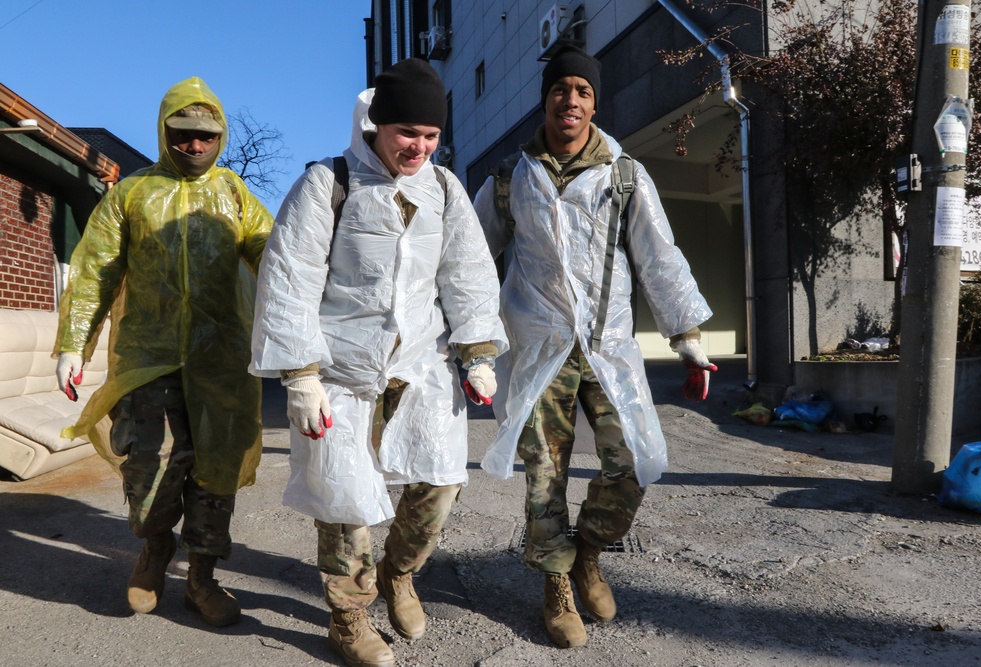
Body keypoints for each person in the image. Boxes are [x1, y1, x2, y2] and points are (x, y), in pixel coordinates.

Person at [250, 58, 508, 667]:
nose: (418, 146)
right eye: (406, 133)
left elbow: (468, 274)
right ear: (377, 126)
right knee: (345, 502)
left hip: (421, 367)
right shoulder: (329, 182)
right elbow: (289, 279)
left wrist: (476, 353)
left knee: (438, 486)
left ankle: (399, 574)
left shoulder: (443, 189)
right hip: (341, 373)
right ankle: (349, 615)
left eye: (430, 135)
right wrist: (301, 375)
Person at [472, 45, 717, 648]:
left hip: (607, 347)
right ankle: (556, 586)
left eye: (583, 91)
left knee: (631, 459)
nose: (571, 101)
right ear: (546, 99)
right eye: (562, 90)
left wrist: (687, 337)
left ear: (595, 102)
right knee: (544, 475)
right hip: (537, 348)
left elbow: (660, 258)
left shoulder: (626, 175)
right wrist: (470, 347)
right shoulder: (510, 177)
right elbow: (470, 264)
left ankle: (587, 554)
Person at [53, 77, 274, 628]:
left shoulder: (235, 194)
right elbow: (95, 271)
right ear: (164, 131)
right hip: (149, 358)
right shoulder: (130, 193)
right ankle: (154, 551)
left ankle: (202, 578)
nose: (193, 146)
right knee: (147, 468)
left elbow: (274, 256)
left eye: (205, 136)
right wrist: (72, 344)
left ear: (220, 136)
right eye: (182, 134)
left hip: (221, 359)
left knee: (215, 470)